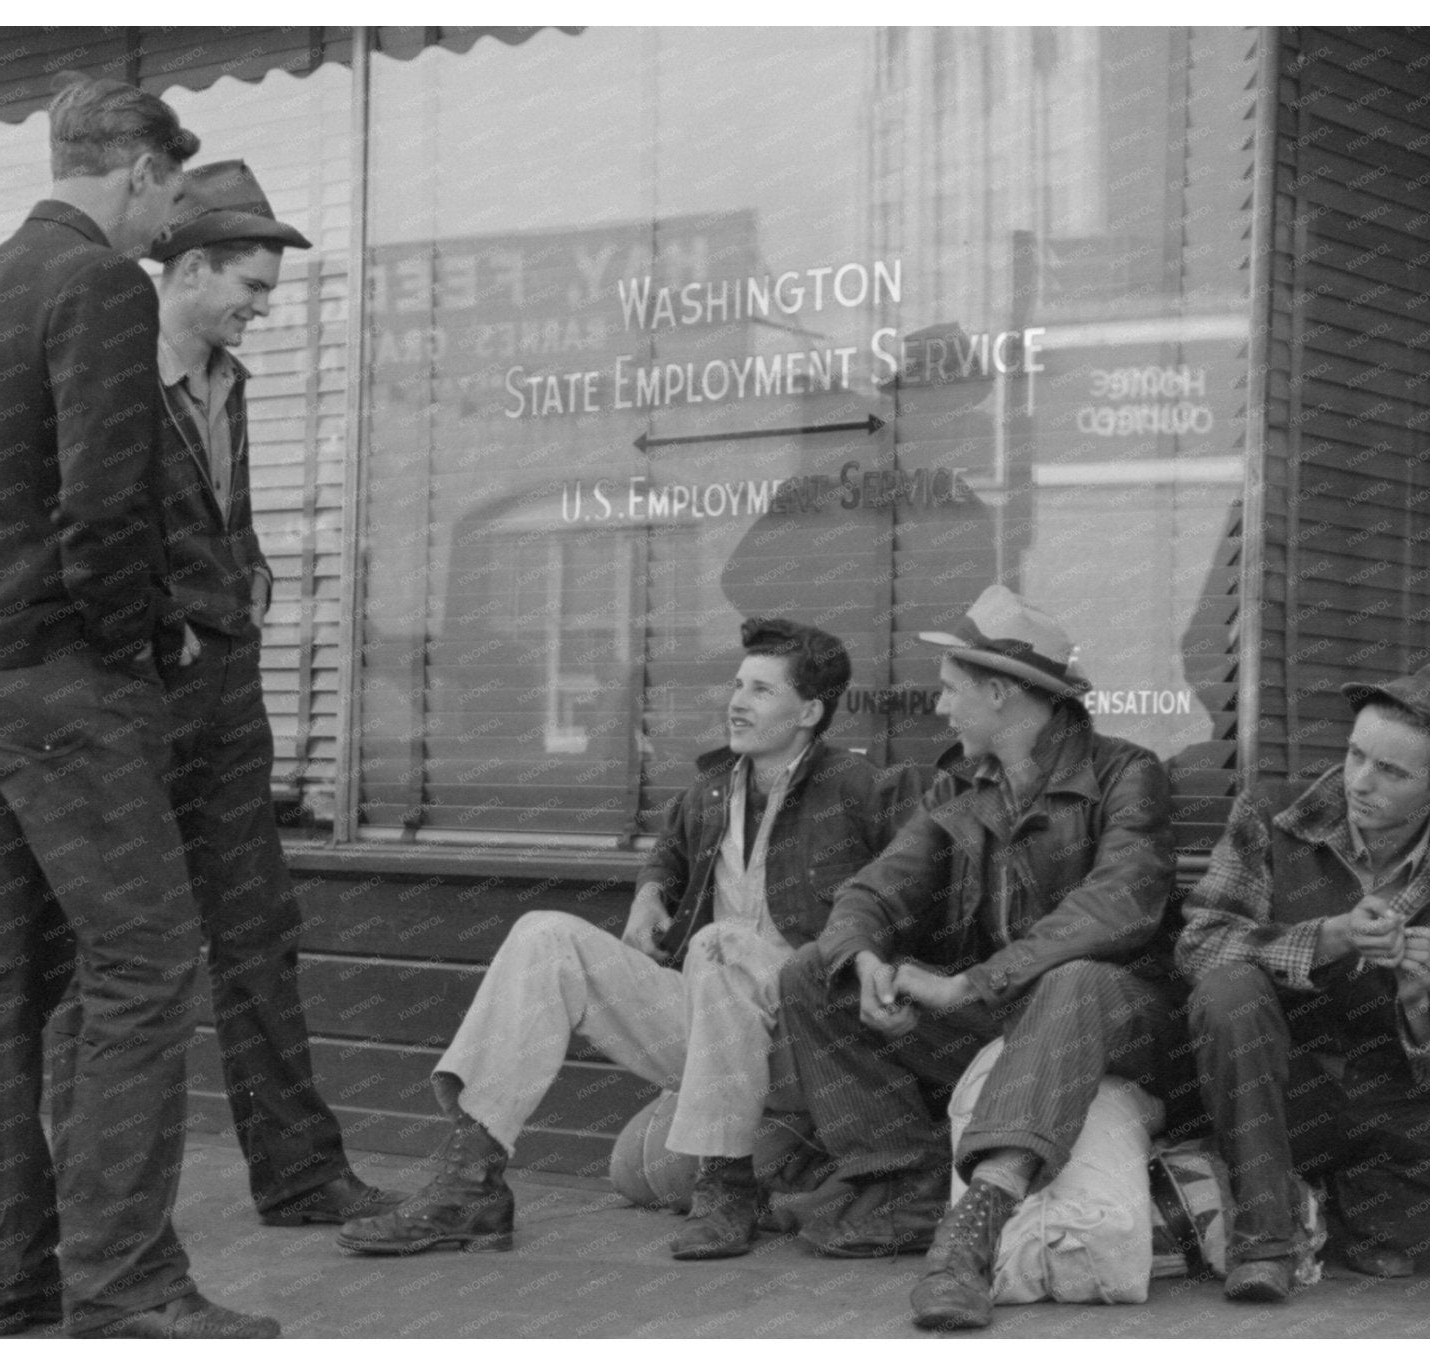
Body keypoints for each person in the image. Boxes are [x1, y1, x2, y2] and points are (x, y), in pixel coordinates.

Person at [0, 75, 279, 1337]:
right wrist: (129, 643)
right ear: (134, 172)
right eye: (169, 194)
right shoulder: (100, 288)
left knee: (0, 981)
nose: (163, 222)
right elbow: (110, 501)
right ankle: (123, 1285)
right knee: (144, 962)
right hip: (72, 679)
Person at [338, 618, 920, 1261]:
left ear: (810, 710)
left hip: (812, 1040)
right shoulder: (711, 790)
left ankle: (727, 1189)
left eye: (760, 690)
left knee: (717, 947)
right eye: (736, 684)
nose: (735, 702)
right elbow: (669, 855)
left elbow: (911, 899)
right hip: (716, 1033)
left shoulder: (865, 789)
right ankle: (470, 1180)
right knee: (545, 935)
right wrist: (649, 894)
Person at [777, 584, 1186, 1333]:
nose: (941, 707)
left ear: (999, 693)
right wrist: (863, 953)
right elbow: (877, 887)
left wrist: (973, 981)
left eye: (951, 691)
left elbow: (1120, 906)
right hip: (1001, 1020)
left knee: (1076, 978)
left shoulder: (1129, 772)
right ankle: (899, 1188)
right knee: (814, 970)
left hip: (1121, 1027)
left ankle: (973, 1233)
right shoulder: (961, 785)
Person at [135, 161, 401, 1228]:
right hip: (141, 698)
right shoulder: (109, 369)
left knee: (258, 932)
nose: (261, 310)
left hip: (226, 695)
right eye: (249, 287)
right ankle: (97, 1202)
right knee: (121, 953)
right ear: (190, 269)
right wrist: (171, 630)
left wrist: (247, 578)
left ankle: (298, 1175)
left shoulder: (226, 380)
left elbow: (216, 515)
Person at [1176, 665, 1430, 1304]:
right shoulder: (1271, 817)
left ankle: (1347, 1209)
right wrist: (1329, 936)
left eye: (1391, 772)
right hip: (1268, 1081)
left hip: (1381, 1096)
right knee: (1230, 987)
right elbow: (1201, 945)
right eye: (1355, 755)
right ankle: (1266, 1238)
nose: (1359, 782)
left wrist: (1421, 1001)